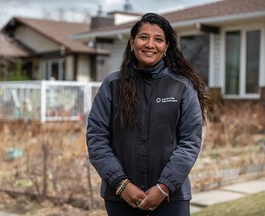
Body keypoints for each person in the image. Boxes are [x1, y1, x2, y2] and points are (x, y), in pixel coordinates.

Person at [86, 13, 207, 216]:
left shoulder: (182, 87)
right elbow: (97, 138)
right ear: (132, 42)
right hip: (120, 197)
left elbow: (190, 142)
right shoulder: (112, 85)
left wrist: (164, 187)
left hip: (171, 198)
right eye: (144, 37)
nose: (150, 44)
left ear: (166, 47)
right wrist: (122, 184)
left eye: (158, 39)